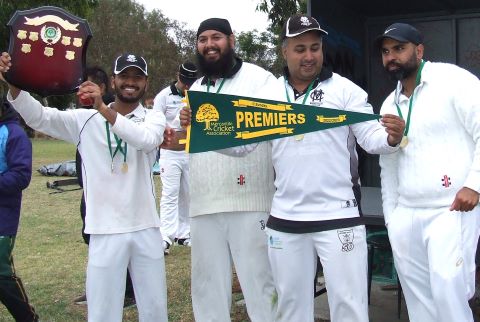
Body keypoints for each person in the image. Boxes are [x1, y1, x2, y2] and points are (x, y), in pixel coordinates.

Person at [209, 14, 406, 322]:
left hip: (338, 216)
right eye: (300, 48)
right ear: (285, 51)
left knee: (350, 308)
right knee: (291, 310)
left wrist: (391, 138)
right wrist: (201, 131)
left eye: (315, 47)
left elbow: (372, 138)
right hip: (286, 220)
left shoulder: (345, 90)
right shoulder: (268, 95)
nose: (309, 56)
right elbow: (243, 145)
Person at [0, 52, 170, 322]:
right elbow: (39, 117)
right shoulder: (84, 120)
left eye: (137, 77)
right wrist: (14, 83)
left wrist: (104, 109)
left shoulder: (154, 118)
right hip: (103, 230)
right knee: (103, 312)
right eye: (124, 76)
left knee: (155, 310)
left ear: (146, 83)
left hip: (145, 228)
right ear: (113, 81)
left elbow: (146, 141)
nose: (130, 82)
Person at [377, 22, 480, 322]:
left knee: (450, 295)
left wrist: (474, 184)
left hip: (450, 208)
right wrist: (392, 217)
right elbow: (388, 165)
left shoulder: (452, 80)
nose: (391, 57)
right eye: (386, 52)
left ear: (419, 50)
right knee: (418, 302)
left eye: (399, 48)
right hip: (406, 214)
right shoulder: (389, 103)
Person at [180, 18, 277, 322]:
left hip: (250, 200)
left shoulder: (260, 80)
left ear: (232, 40)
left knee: (261, 285)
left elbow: (257, 135)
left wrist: (204, 128)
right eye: (203, 39)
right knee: (207, 289)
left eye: (216, 38)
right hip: (205, 202)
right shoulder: (196, 86)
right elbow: (194, 142)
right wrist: (180, 133)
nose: (209, 45)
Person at [73, 66, 135, 308]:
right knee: (93, 237)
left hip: (115, 188)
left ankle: (128, 290)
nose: (82, 91)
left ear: (102, 87)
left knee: (121, 240)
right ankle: (97, 287)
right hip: (90, 190)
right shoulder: (83, 113)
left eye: (87, 86)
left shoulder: (112, 112)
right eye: (80, 87)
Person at [153, 62, 197, 255]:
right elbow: (155, 121)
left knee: (188, 193)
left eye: (190, 82)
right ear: (178, 75)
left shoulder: (196, 93)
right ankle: (165, 236)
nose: (187, 86)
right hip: (169, 153)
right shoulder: (163, 96)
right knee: (170, 193)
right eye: (184, 81)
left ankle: (185, 233)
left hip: (189, 152)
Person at [0, 97, 38, 321]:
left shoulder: (13, 134)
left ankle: (28, 318)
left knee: (2, 275)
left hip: (2, 218)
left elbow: (21, 176)